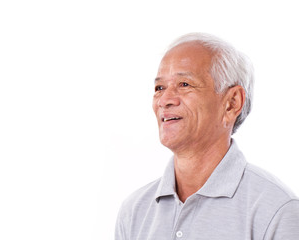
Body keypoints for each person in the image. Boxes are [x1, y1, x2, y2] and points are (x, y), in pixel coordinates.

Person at [115, 33, 299, 240]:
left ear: (232, 103)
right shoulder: (133, 212)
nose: (164, 100)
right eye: (159, 88)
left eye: (184, 84)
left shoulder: (277, 210)